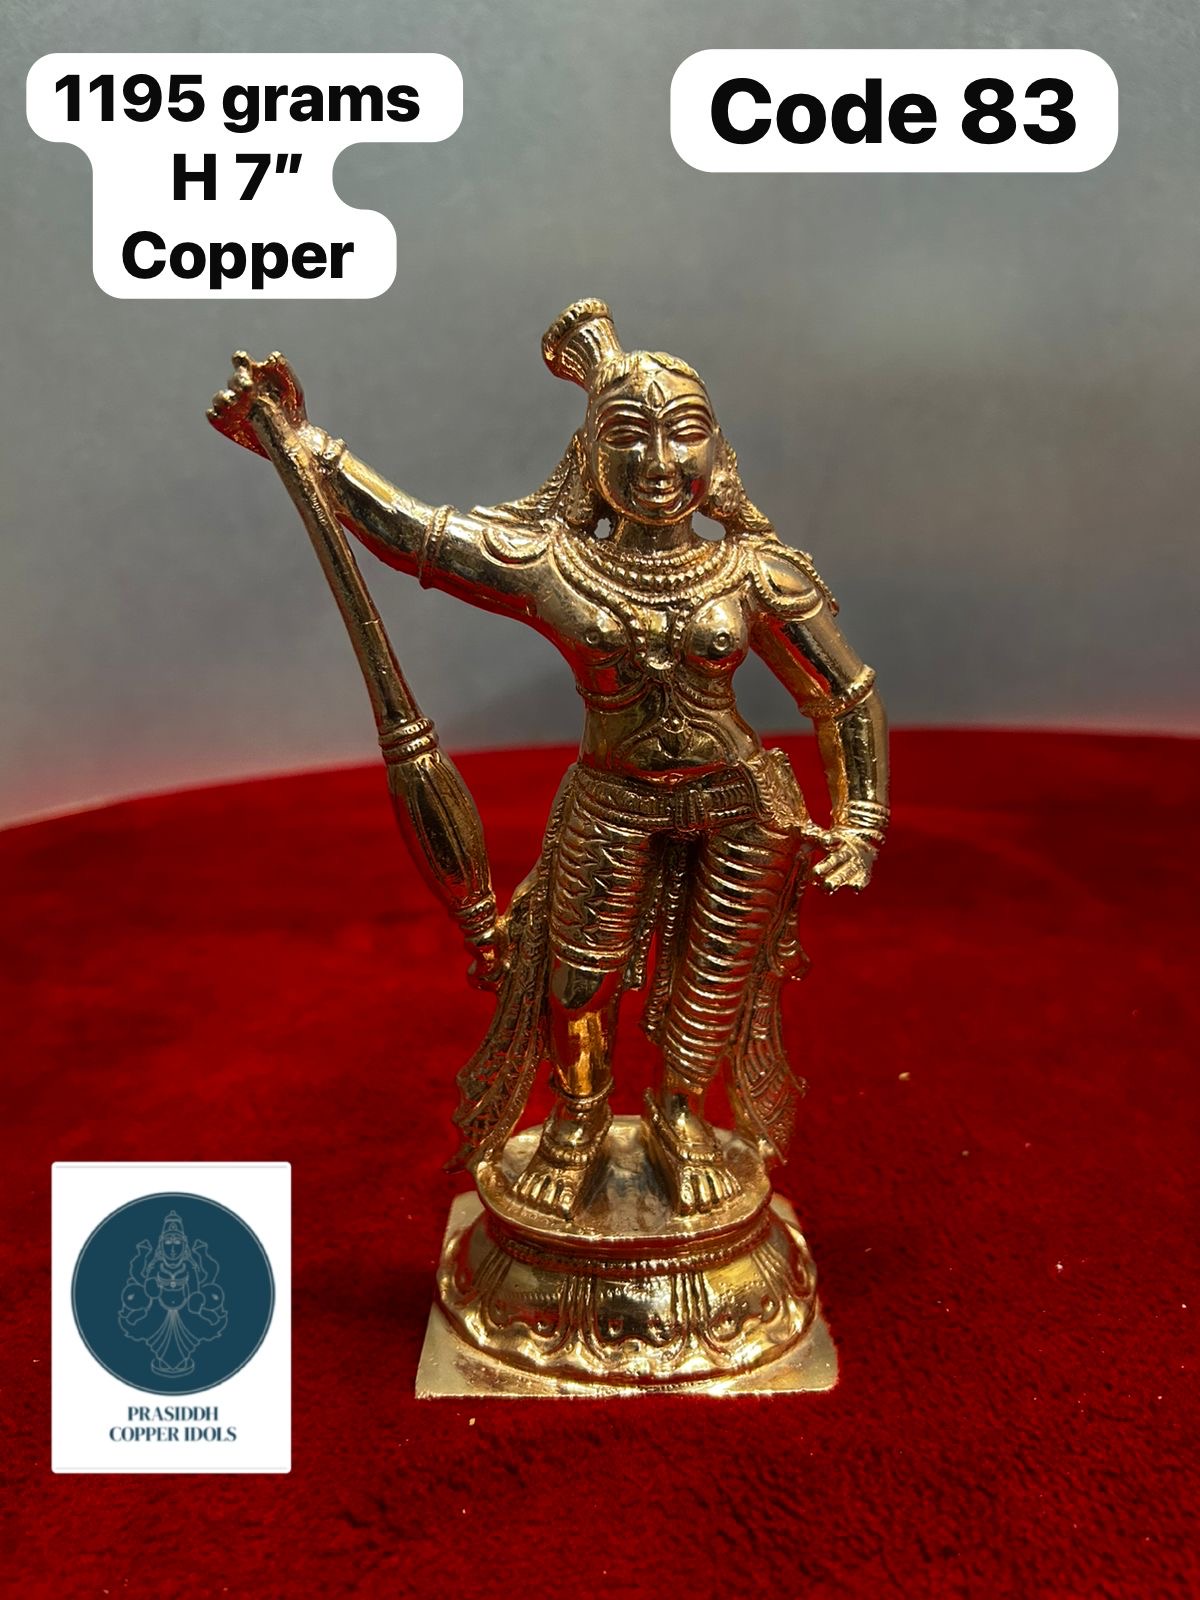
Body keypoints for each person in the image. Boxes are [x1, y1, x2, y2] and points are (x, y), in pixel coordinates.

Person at [213, 300, 889, 1221]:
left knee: (713, 977)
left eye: (685, 432)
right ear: (588, 460)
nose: (659, 464)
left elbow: (844, 694)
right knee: (578, 977)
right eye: (628, 437)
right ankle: (577, 1119)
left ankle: (680, 1113)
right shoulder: (553, 565)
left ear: (720, 453)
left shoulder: (757, 574)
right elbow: (416, 534)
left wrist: (861, 819)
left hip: (739, 805)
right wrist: (304, 447)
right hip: (613, 801)